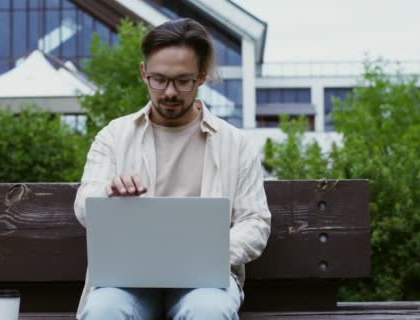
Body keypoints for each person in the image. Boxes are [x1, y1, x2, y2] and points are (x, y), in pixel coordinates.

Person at [73, 18, 271, 320]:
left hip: (205, 281)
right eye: (159, 79)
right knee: (103, 310)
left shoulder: (236, 144)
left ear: (202, 77)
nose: (169, 92)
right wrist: (107, 192)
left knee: (208, 311)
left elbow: (255, 221)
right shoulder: (114, 136)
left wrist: (211, 252)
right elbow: (83, 205)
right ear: (143, 72)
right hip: (129, 279)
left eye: (182, 81)